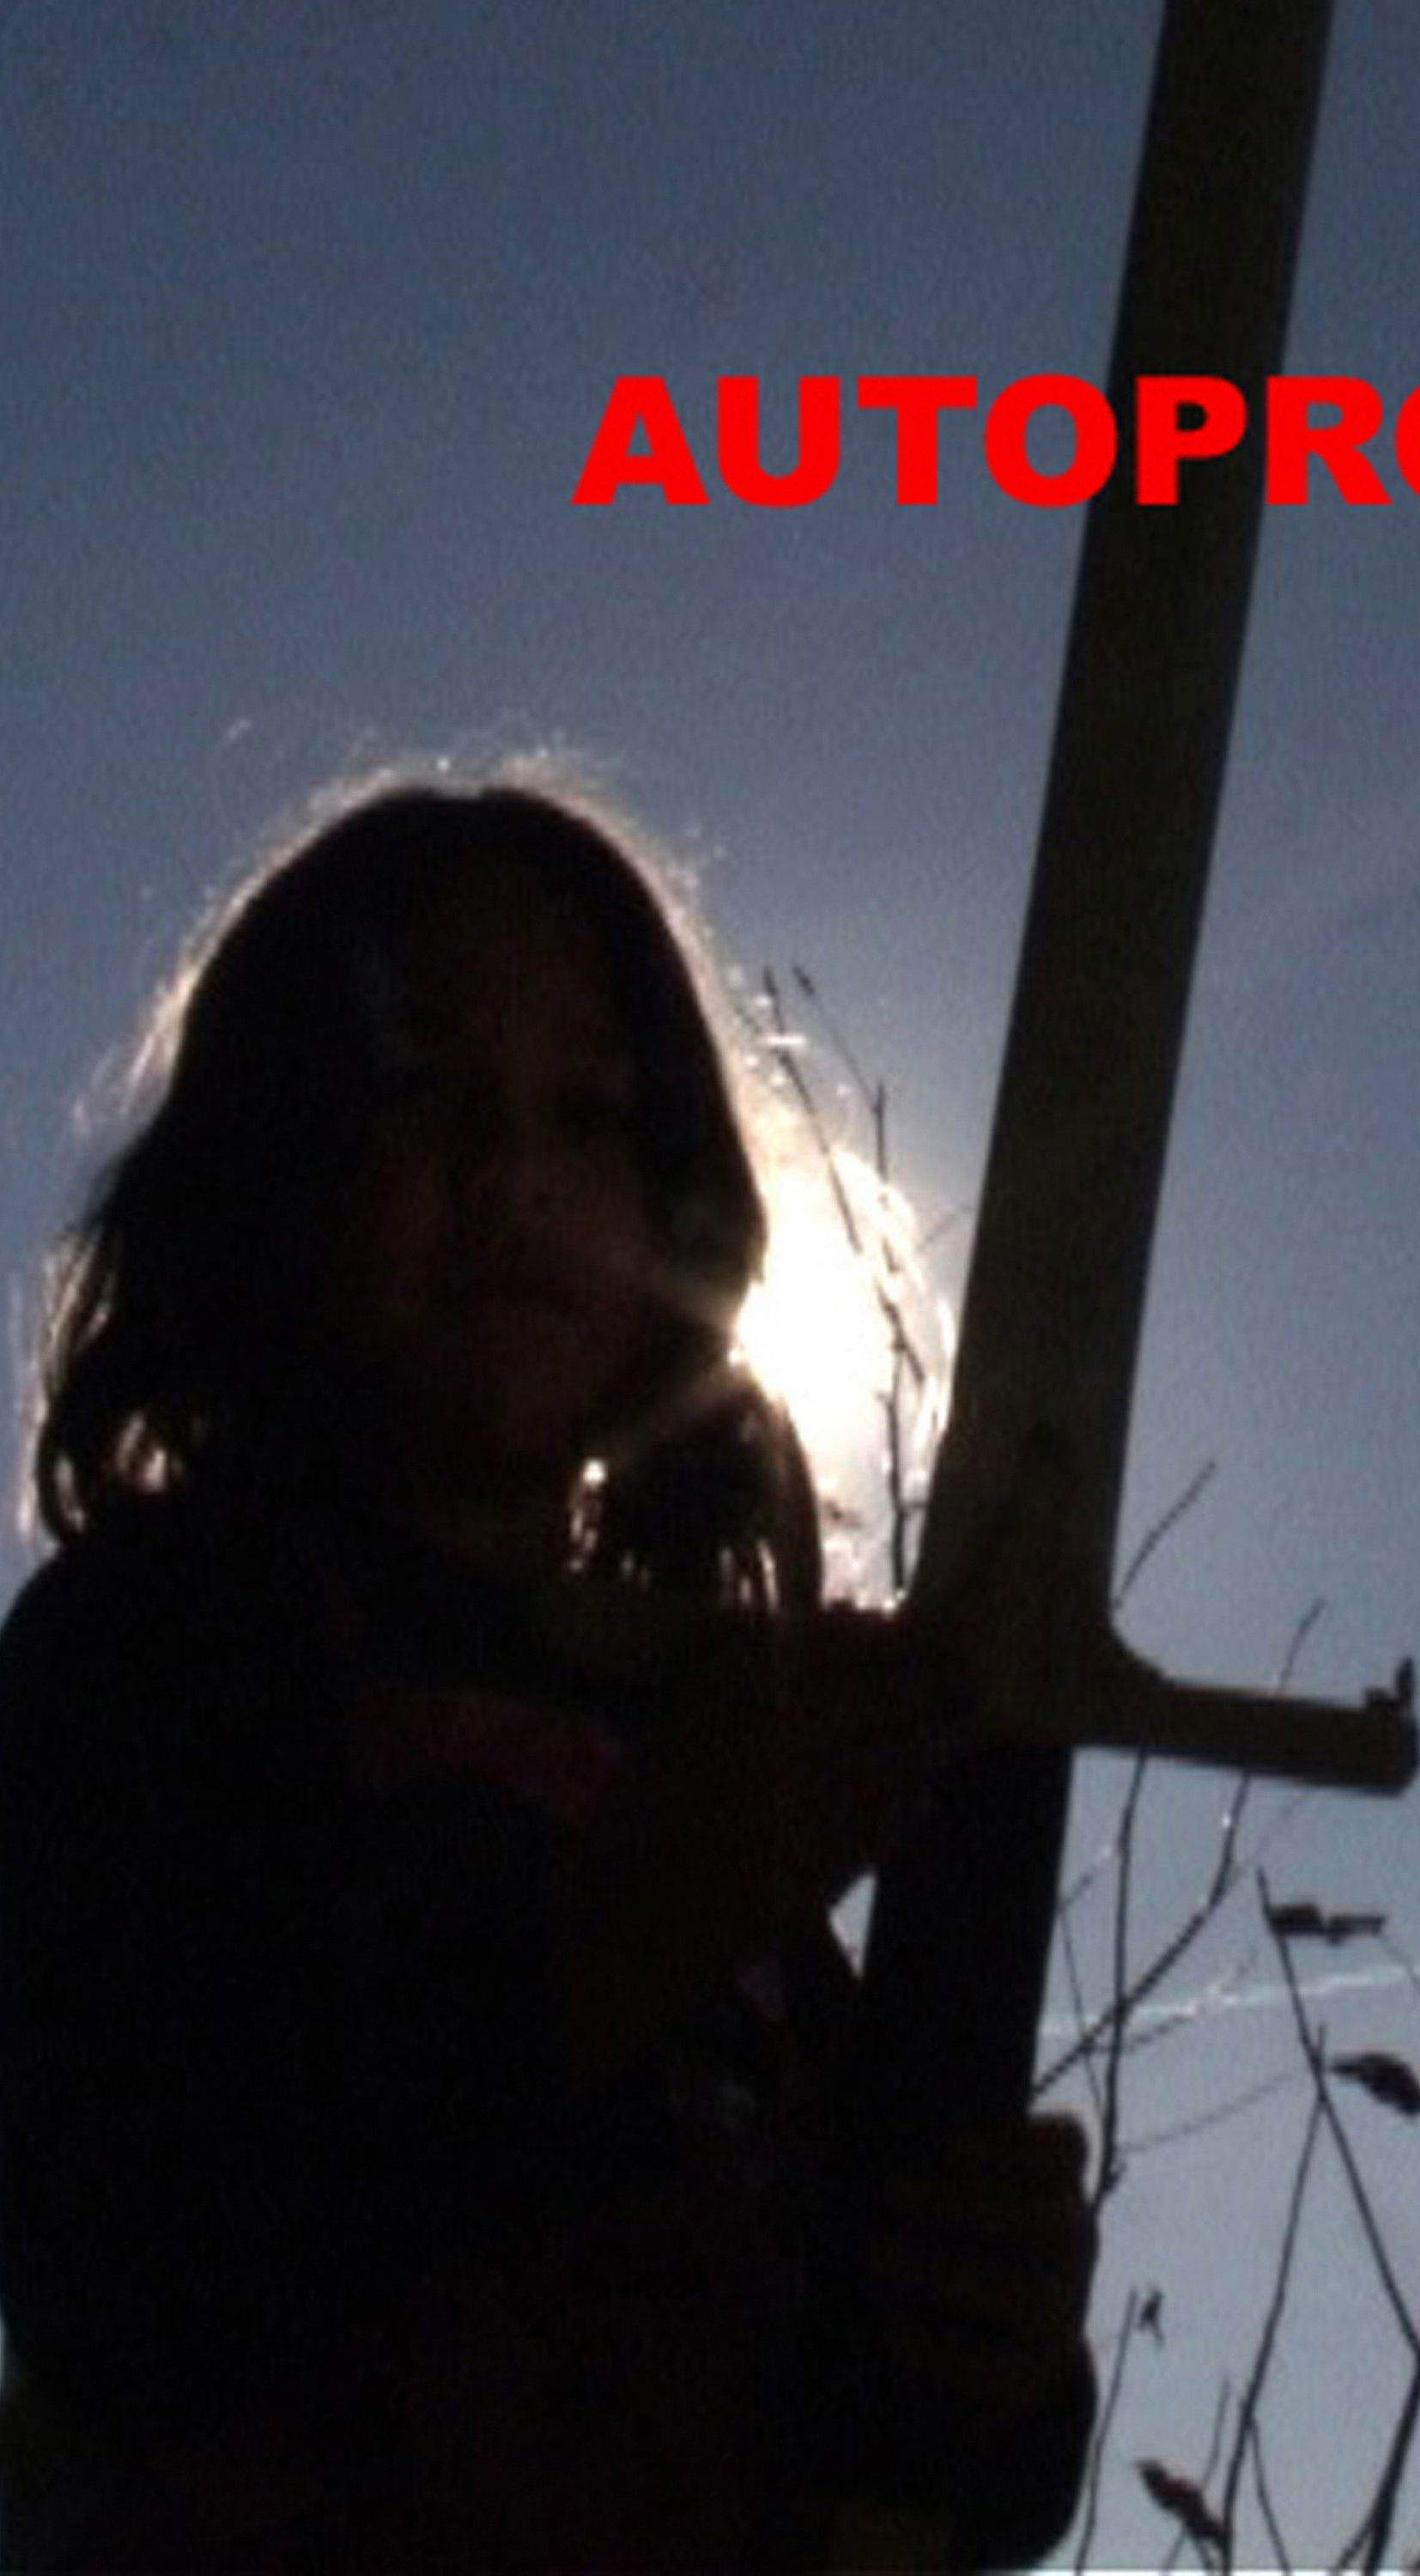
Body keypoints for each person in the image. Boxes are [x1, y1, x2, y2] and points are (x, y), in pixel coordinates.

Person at [0, 780, 1097, 2571]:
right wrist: (645, 1930)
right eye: (424, 1093)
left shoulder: (691, 1740)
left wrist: (1003, 2346)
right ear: (273, 1167)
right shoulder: (161, 1653)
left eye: (588, 1114)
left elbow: (898, 2444)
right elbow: (148, 2291)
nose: (514, 1178)